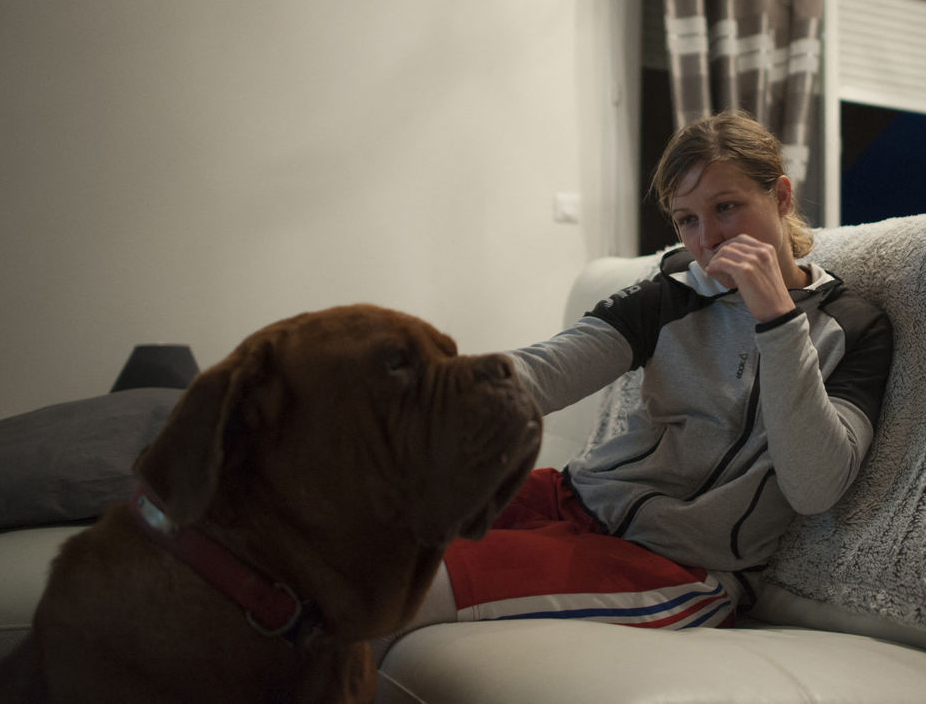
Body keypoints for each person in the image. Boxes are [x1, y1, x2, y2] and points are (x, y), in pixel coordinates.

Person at [382, 111, 893, 647]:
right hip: (574, 498)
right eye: (687, 220)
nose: (708, 239)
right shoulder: (670, 294)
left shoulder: (854, 327)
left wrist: (778, 319)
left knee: (394, 584)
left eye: (726, 207)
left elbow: (814, 489)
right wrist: (407, 400)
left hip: (675, 563)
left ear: (782, 197)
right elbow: (544, 372)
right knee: (372, 526)